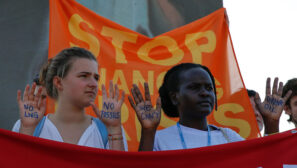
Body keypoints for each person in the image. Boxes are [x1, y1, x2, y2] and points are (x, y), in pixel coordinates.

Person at [13, 47, 127, 150]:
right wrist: (27, 129)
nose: (94, 84)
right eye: (83, 76)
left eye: (96, 78)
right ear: (58, 82)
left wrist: (114, 130)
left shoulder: (108, 130)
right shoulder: (26, 125)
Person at [128, 63, 244, 151]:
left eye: (209, 88)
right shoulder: (158, 139)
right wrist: (148, 131)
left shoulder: (229, 137)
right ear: (174, 97)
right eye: (194, 87)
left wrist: (263, 121)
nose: (205, 93)